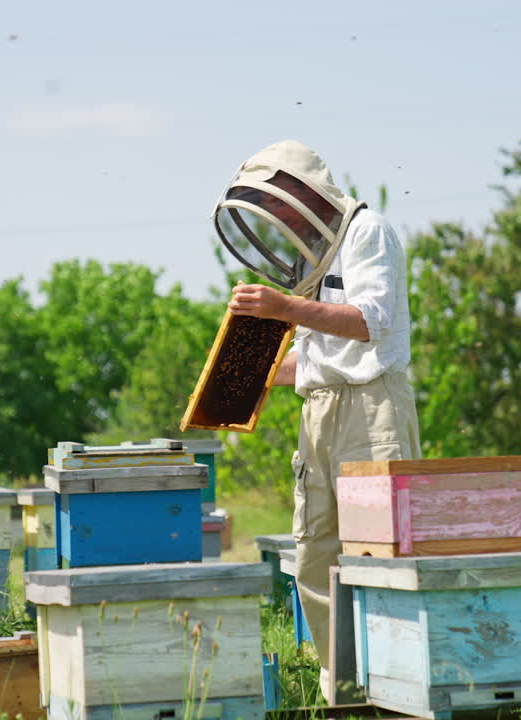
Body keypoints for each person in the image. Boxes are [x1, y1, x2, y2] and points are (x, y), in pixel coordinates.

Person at [212, 139, 421, 699]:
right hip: (320, 410)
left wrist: (282, 308)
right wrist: (237, 382)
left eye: (279, 204)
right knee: (315, 553)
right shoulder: (312, 256)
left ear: (303, 193)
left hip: (372, 407)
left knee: (380, 550)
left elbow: (370, 322)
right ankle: (343, 691)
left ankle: (399, 685)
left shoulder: (368, 232)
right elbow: (317, 355)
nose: (278, 219)